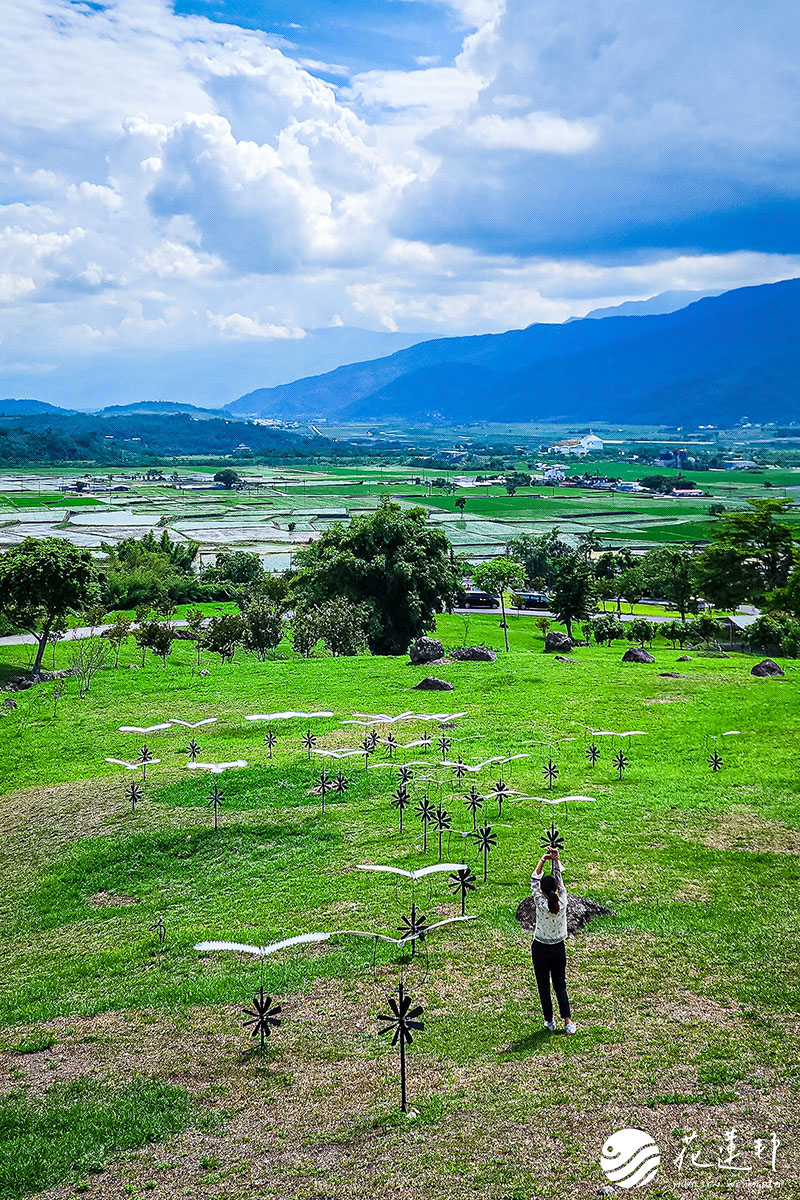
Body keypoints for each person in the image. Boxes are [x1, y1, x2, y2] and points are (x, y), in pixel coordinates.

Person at [531, 847, 576, 1034]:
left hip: (540, 948)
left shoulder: (540, 902)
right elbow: (561, 883)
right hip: (558, 948)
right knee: (560, 986)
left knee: (544, 987)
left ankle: (549, 1021)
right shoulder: (563, 902)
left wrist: (544, 859)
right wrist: (556, 860)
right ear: (556, 890)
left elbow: (534, 879)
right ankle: (567, 1022)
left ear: (542, 891)